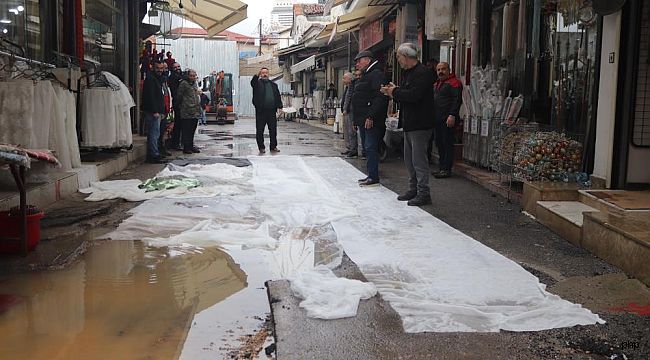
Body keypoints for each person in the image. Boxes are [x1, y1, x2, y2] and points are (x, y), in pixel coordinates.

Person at [382, 43, 435, 206]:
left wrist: (394, 92)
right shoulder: (408, 73)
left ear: (406, 56)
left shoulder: (423, 73)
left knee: (419, 160)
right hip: (410, 122)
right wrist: (395, 91)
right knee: (409, 159)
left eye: (398, 57)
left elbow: (414, 95)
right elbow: (406, 95)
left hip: (420, 123)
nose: (397, 60)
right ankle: (414, 189)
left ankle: (424, 192)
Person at [351, 50, 388, 187]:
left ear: (367, 60)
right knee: (367, 148)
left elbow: (379, 98)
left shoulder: (376, 74)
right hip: (362, 118)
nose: (357, 64)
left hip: (370, 119)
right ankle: (370, 174)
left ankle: (373, 176)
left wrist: (370, 116)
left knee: (371, 147)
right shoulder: (367, 75)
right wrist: (356, 120)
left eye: (359, 61)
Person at [432, 62, 463, 178]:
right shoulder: (436, 84)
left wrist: (452, 115)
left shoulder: (454, 83)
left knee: (447, 143)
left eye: (443, 69)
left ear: (449, 70)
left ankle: (446, 169)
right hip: (437, 119)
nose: (441, 71)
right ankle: (442, 167)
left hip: (448, 119)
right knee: (439, 143)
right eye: (438, 69)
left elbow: (457, 100)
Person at [251, 67, 283, 154]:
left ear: (268, 74)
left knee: (273, 130)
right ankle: (261, 147)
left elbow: (277, 96)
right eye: (263, 73)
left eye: (266, 73)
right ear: (260, 74)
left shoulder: (273, 85)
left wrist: (280, 107)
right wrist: (256, 76)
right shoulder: (257, 84)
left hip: (272, 111)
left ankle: (273, 146)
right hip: (261, 111)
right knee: (260, 130)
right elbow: (252, 82)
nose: (265, 74)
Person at [142, 60, 166, 163]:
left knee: (156, 133)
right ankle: (153, 155)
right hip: (153, 111)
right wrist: (155, 111)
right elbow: (150, 96)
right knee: (153, 133)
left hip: (158, 110)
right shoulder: (151, 79)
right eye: (158, 68)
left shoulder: (158, 79)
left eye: (161, 68)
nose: (160, 70)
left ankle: (155, 153)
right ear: (153, 68)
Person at [176, 69, 202, 155]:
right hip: (186, 110)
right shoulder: (183, 84)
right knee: (186, 130)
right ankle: (186, 147)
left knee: (192, 130)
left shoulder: (194, 83)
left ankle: (191, 145)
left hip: (195, 110)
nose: (193, 77)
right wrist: (180, 106)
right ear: (188, 76)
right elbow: (179, 96)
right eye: (191, 76)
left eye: (194, 76)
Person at [340, 72, 358, 157]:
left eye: (344, 78)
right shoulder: (347, 87)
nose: (343, 80)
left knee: (351, 131)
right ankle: (349, 147)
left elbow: (350, 98)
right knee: (346, 130)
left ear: (350, 79)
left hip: (350, 111)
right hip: (346, 110)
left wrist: (346, 108)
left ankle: (353, 149)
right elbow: (345, 98)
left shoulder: (352, 86)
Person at [168, 62, 183, 150]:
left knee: (181, 124)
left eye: (178, 66)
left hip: (181, 103)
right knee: (178, 123)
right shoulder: (173, 78)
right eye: (175, 67)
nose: (177, 68)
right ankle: (175, 143)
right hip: (178, 103)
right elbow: (175, 92)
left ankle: (179, 142)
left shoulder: (180, 77)